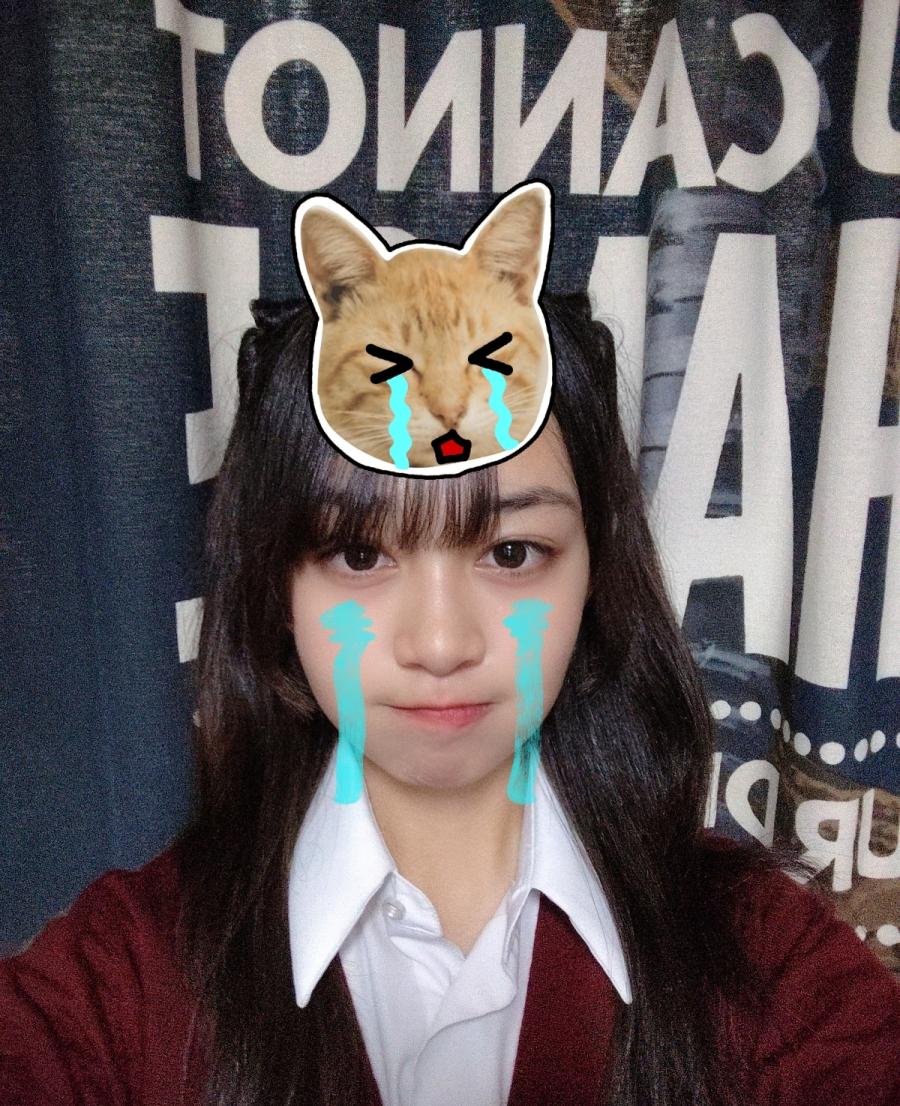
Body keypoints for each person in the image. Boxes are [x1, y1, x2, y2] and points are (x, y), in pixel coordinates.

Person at [1, 292, 898, 1106]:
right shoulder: (114, 989)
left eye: (511, 553)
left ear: (596, 575)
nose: (440, 644)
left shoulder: (772, 969)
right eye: (359, 554)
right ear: (276, 586)